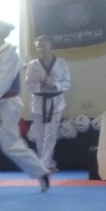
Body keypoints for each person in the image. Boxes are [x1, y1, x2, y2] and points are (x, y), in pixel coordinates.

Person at [0, 20, 50, 196]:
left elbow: (3, 83)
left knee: (10, 145)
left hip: (6, 105)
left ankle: (41, 172)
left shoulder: (10, 54)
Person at [25, 35, 71, 172]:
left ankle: (43, 164)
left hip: (56, 102)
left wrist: (54, 84)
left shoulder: (61, 63)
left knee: (51, 133)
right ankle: (48, 162)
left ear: (51, 45)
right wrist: (40, 84)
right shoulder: (33, 64)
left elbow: (67, 82)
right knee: (39, 135)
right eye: (38, 46)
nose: (41, 48)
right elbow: (28, 85)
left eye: (43, 45)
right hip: (38, 102)